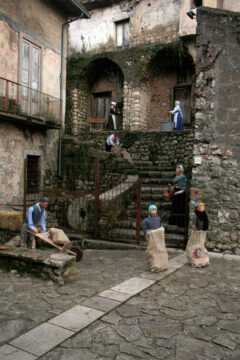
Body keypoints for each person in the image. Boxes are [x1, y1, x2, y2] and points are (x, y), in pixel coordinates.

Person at [142, 205, 168, 273]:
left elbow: (160, 225)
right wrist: (148, 233)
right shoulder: (146, 220)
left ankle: (161, 264)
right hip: (152, 239)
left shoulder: (158, 218)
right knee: (153, 251)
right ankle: (154, 265)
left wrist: (162, 229)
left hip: (158, 239)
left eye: (155, 210)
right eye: (152, 210)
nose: (153, 211)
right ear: (150, 211)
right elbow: (145, 229)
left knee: (160, 251)